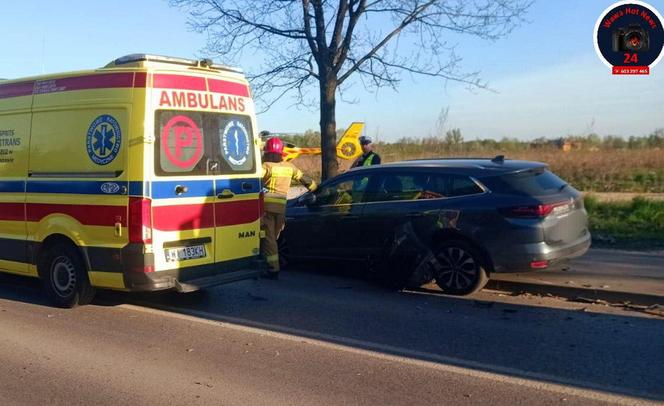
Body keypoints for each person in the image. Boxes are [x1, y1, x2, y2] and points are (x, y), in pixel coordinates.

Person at [260, 137, 317, 279]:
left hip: (267, 208)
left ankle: (273, 269)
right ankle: (269, 263)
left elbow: (252, 180)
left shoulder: (266, 166)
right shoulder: (289, 167)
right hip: (282, 208)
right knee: (276, 236)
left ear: (267, 152)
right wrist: (315, 188)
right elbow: (306, 180)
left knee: (269, 239)